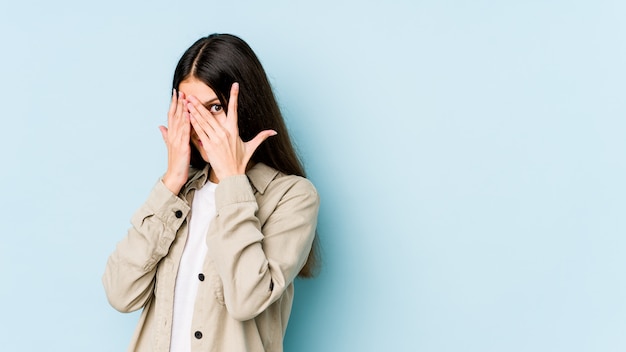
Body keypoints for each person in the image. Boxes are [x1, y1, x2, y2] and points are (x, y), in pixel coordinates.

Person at [102, 33, 320, 352]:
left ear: (245, 107)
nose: (200, 125)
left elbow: (247, 299)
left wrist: (232, 182)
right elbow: (120, 294)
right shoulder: (176, 196)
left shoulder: (293, 197)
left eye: (214, 107)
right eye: (190, 111)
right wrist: (172, 181)